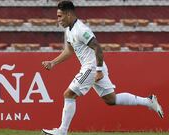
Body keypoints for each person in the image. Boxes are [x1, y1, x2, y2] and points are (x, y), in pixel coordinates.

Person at [41, 1, 164, 135]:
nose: (58, 19)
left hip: (92, 67)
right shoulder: (69, 30)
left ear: (69, 14)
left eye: (60, 16)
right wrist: (53, 62)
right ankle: (148, 101)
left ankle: (62, 131)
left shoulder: (81, 30)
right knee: (111, 99)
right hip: (93, 67)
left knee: (69, 94)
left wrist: (98, 70)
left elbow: (98, 48)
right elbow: (69, 50)